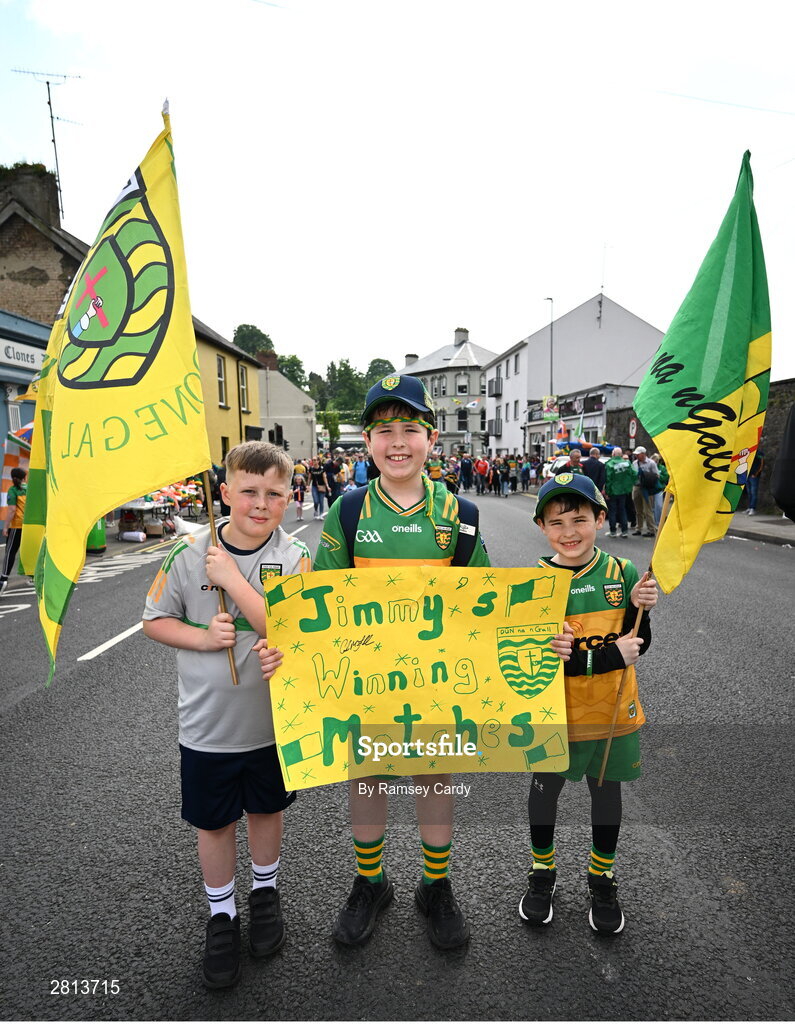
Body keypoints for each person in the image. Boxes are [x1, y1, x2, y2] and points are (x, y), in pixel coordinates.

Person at [313, 374, 490, 950]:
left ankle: (434, 886)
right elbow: (317, 599)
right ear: (366, 441)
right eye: (383, 429)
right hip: (366, 682)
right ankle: (372, 882)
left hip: (435, 681)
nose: (397, 441)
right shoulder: (349, 509)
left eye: (409, 429)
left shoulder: (457, 512)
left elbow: (486, 598)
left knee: (433, 776)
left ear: (431, 439)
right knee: (367, 778)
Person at [142, 441, 311, 989]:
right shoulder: (187, 554)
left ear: (289, 498)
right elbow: (154, 621)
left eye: (274, 494)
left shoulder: (296, 558)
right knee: (214, 823)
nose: (260, 504)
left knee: (266, 810)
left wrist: (237, 583)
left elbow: (294, 629)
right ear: (225, 493)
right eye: (248, 491)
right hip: (207, 728)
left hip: (272, 724)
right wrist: (201, 636)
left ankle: (264, 892)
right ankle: (222, 914)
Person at [519, 473, 658, 934]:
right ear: (541, 527)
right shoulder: (534, 583)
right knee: (545, 794)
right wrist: (601, 656)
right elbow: (535, 663)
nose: (569, 532)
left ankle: (602, 877)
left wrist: (644, 613)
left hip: (613, 714)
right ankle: (543, 872)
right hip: (552, 717)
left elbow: (637, 644)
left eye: (580, 519)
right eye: (556, 522)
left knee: (606, 794)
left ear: (600, 518)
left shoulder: (624, 574)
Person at [1, 467, 27, 593]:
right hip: (29, 526)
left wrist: (5, 527)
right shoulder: (29, 489)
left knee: (10, 552)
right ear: (24, 478)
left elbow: (11, 510)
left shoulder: (13, 490)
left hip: (17, 526)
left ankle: (3, 579)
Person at [604, 447, 635, 538]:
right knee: (622, 510)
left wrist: (607, 491)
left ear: (613, 454)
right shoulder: (627, 463)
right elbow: (634, 474)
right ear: (621, 454)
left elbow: (608, 479)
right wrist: (629, 486)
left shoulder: (609, 464)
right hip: (624, 491)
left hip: (613, 491)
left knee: (612, 511)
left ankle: (613, 531)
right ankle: (624, 531)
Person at [631, 447, 659, 536]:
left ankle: (651, 529)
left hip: (647, 488)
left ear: (643, 454)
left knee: (648, 510)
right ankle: (638, 528)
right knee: (638, 509)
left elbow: (657, 475)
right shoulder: (634, 463)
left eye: (638, 454)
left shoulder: (651, 463)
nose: (636, 455)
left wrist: (647, 477)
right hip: (637, 487)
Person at [746, 448, 764, 515]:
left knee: (753, 493)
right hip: (747, 476)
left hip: (754, 476)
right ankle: (749, 507)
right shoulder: (748, 452)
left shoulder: (759, 453)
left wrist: (756, 474)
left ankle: (753, 509)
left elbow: (761, 464)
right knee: (749, 493)